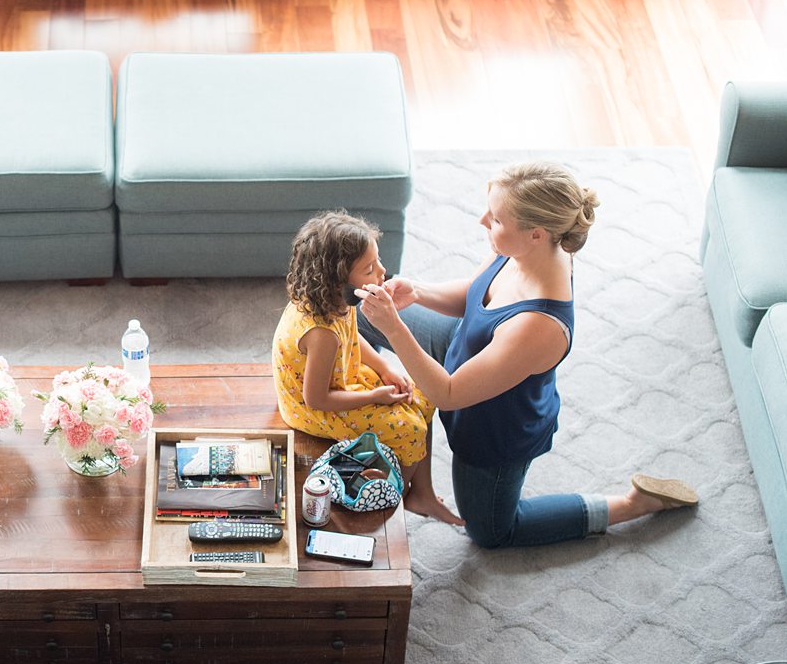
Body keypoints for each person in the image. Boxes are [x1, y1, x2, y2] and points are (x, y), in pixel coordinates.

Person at [358, 160, 698, 549]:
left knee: (489, 532)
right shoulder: (525, 249)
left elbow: (448, 394)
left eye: (496, 219)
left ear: (536, 234)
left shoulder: (540, 326)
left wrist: (395, 328)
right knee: (360, 311)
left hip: (491, 427)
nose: (483, 220)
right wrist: (418, 291)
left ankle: (631, 504)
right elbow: (476, 293)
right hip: (466, 345)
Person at [273, 210, 463, 525]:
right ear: (338, 279)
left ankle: (423, 494)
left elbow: (352, 337)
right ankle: (389, 502)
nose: (383, 272)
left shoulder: (334, 301)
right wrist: (376, 396)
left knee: (423, 397)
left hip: (341, 377)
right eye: (370, 268)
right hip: (313, 407)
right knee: (410, 430)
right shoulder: (320, 335)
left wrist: (384, 367)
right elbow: (317, 400)